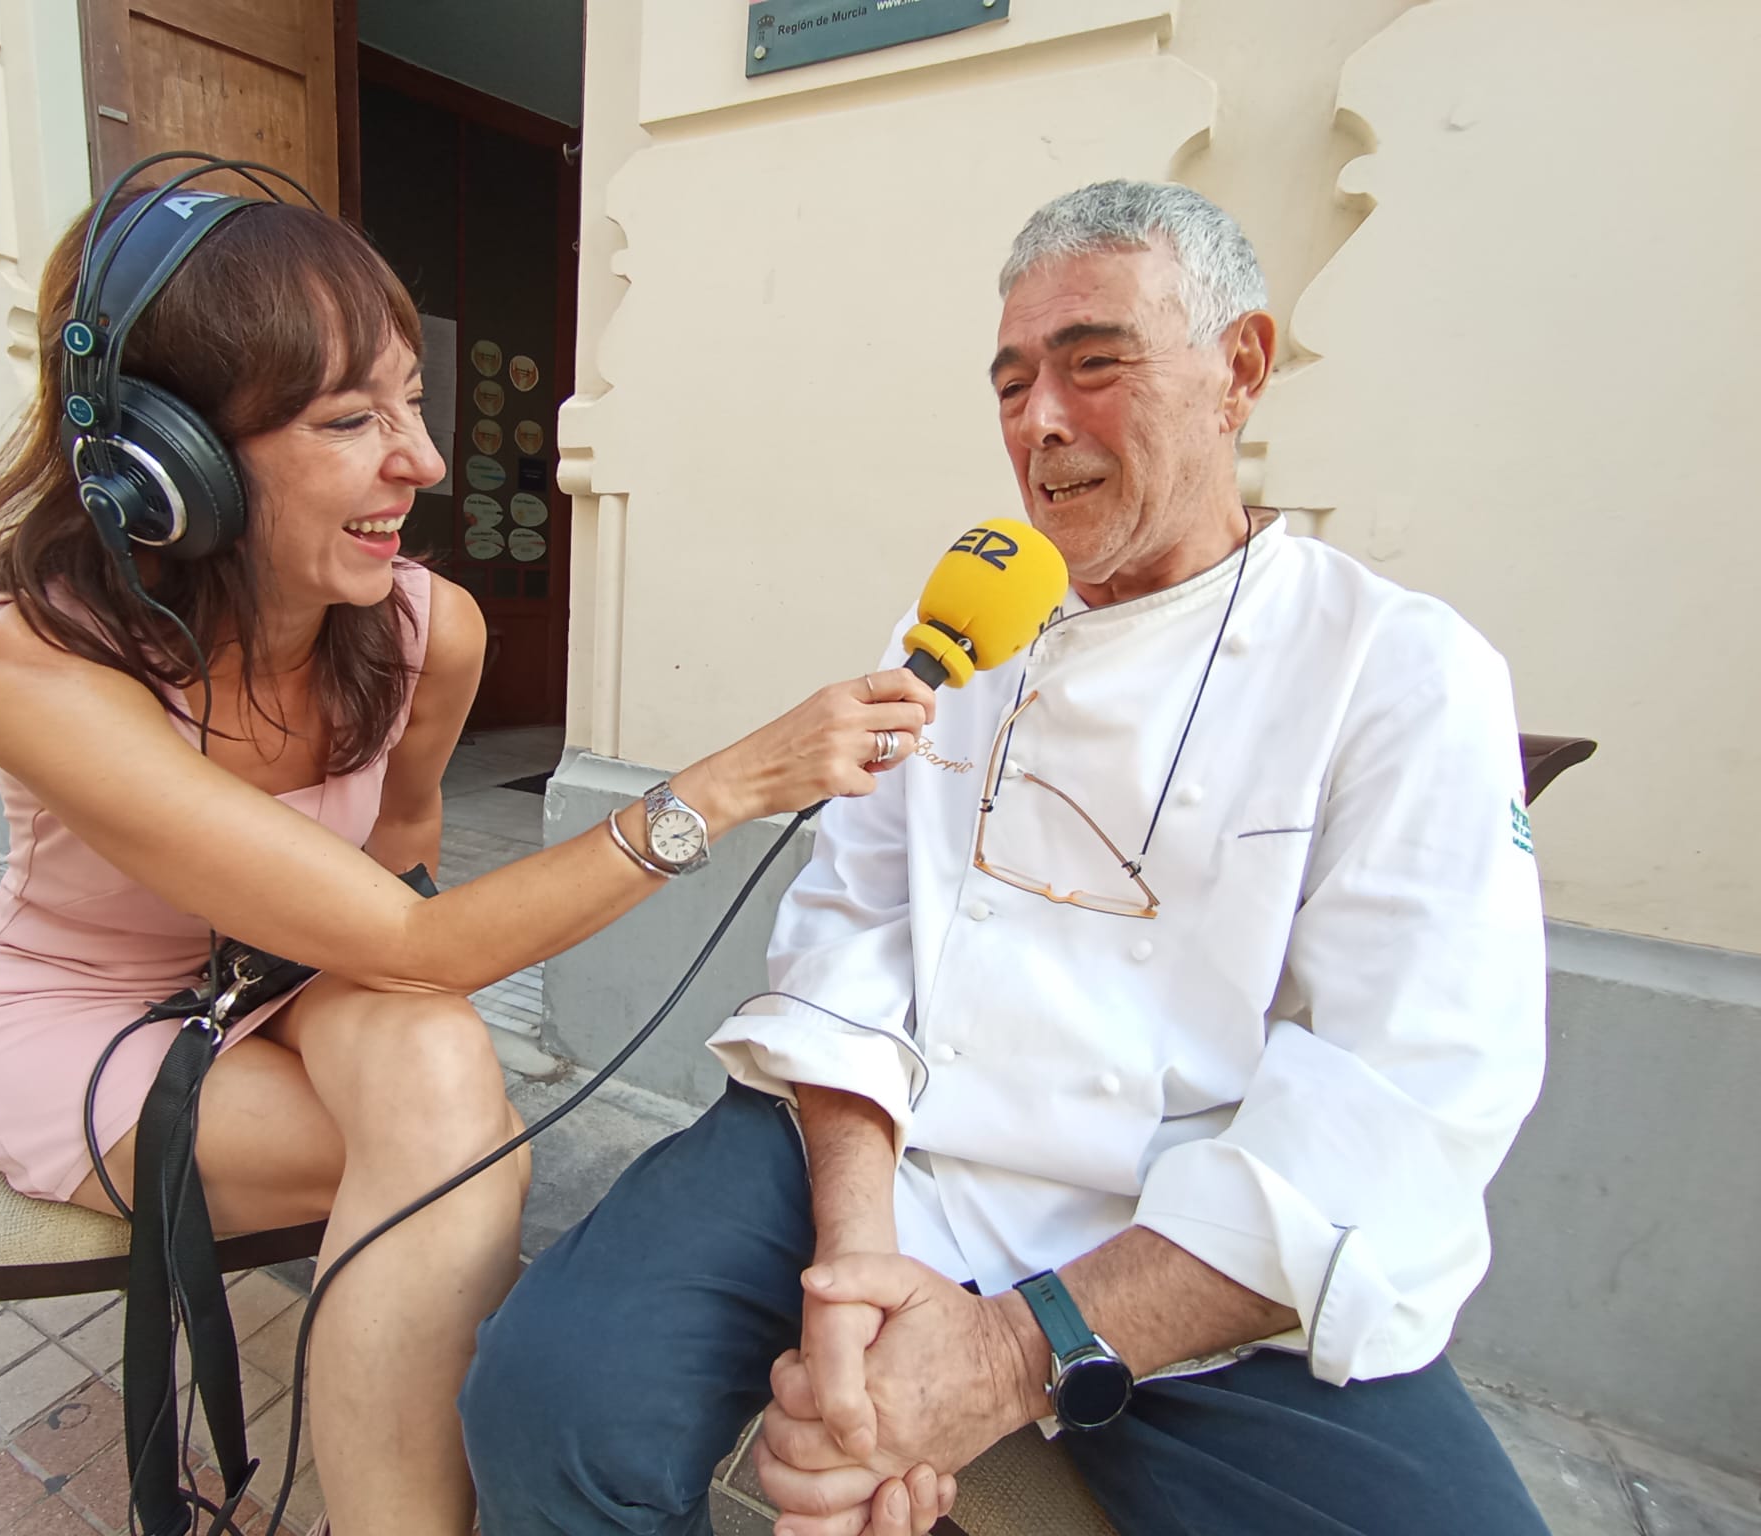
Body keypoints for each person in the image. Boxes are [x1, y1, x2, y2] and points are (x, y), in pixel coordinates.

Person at [460, 180, 1552, 1536]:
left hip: (1193, 1243)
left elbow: (1399, 1103)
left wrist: (995, 1359)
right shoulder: (959, 631)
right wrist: (858, 1264)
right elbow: (851, 933)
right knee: (548, 1399)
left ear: (1240, 372)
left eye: (1096, 366)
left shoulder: (1400, 670)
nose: (1042, 423)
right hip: (894, 1143)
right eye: (1013, 382)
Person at [0, 185, 935, 1536]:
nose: (420, 459)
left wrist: (372, 1027)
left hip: (292, 980)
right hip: (89, 1016)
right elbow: (417, 945)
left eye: (413, 402)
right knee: (451, 1150)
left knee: (435, 1073)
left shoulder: (427, 631)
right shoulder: (31, 665)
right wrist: (733, 783)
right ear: (169, 462)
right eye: (351, 421)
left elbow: (397, 874)